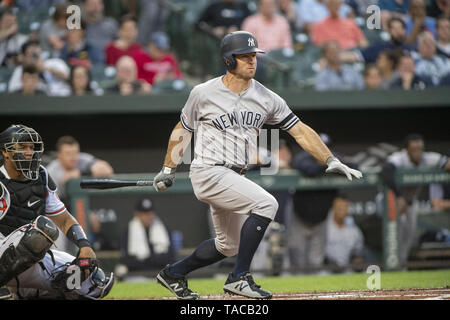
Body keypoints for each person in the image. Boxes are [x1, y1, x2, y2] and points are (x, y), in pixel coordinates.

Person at [152, 31, 362, 300]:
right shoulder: (203, 93)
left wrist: (330, 159)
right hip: (209, 170)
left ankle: (173, 274)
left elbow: (299, 130)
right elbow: (183, 129)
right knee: (267, 204)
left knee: (228, 246)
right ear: (229, 60)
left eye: (254, 55)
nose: (253, 61)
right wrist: (168, 168)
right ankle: (238, 278)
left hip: (234, 174)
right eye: (245, 56)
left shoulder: (266, 96)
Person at [0, 124, 114, 300]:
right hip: (4, 254)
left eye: (32, 147)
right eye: (22, 147)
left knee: (92, 281)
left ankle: (42, 292)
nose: (29, 152)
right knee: (41, 231)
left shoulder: (41, 175)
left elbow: (65, 220)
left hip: (31, 261)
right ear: (5, 152)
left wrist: (84, 245)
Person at [288, 133, 359, 272]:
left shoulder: (334, 158)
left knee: (316, 261)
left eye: (326, 148)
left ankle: (313, 293)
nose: (322, 151)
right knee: (297, 258)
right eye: (319, 147)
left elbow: (354, 165)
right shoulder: (304, 156)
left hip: (321, 219)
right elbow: (309, 169)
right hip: (300, 217)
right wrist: (328, 167)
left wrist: (334, 163)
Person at [380, 134, 450, 267]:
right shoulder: (400, 158)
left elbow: (445, 162)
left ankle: (402, 263)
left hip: (410, 202)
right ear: (407, 150)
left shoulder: (427, 158)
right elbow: (386, 170)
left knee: (409, 233)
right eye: (414, 149)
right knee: (396, 231)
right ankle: (391, 264)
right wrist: (399, 196)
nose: (418, 153)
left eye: (420, 149)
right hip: (391, 198)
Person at [116, 197, 175, 278]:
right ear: (137, 214)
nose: (148, 216)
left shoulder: (164, 229)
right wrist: (152, 260)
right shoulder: (128, 231)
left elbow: (170, 257)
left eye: (150, 213)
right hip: (136, 275)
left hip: (161, 275)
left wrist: (146, 259)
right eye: (144, 213)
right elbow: (126, 260)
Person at [46, 135, 114, 206]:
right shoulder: (52, 172)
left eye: (75, 152)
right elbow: (51, 205)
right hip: (59, 206)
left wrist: (81, 173)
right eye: (68, 153)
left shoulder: (81, 159)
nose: (73, 157)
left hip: (83, 203)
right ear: (59, 156)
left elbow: (107, 170)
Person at [340, 17, 415, 64]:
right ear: (389, 31)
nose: (398, 31)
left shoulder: (411, 48)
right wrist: (335, 57)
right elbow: (356, 56)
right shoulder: (380, 47)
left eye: (400, 28)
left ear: (404, 30)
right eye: (394, 29)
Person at [325, 193, 365, 272]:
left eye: (345, 207)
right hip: (326, 269)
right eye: (339, 207)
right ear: (333, 207)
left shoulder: (353, 228)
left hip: (347, 268)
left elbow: (358, 251)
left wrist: (357, 259)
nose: (342, 210)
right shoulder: (324, 225)